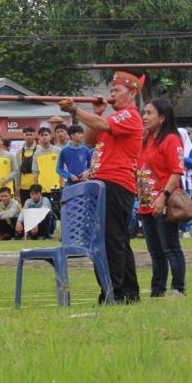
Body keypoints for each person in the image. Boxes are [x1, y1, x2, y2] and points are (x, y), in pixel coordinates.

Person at [59, 71, 144, 304]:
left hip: (115, 184)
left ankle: (112, 292)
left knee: (109, 240)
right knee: (117, 240)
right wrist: (96, 112)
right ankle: (127, 292)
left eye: (116, 91)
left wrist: (75, 111)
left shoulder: (130, 116)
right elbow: (89, 139)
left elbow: (102, 124)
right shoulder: (115, 119)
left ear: (133, 93)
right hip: (107, 183)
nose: (111, 95)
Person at [136, 98, 186, 297]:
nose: (144, 117)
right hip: (145, 203)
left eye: (149, 113)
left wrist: (163, 197)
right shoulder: (145, 140)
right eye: (144, 113)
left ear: (163, 117)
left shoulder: (171, 139)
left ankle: (178, 289)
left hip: (163, 202)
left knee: (170, 247)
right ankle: (157, 291)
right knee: (155, 252)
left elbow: (177, 171)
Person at [16, 126, 38, 202]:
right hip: (23, 186)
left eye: (31, 134)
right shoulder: (19, 152)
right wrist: (17, 185)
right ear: (23, 136)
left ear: (35, 135)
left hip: (37, 185)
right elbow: (18, 171)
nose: (28, 137)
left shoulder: (39, 149)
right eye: (27, 135)